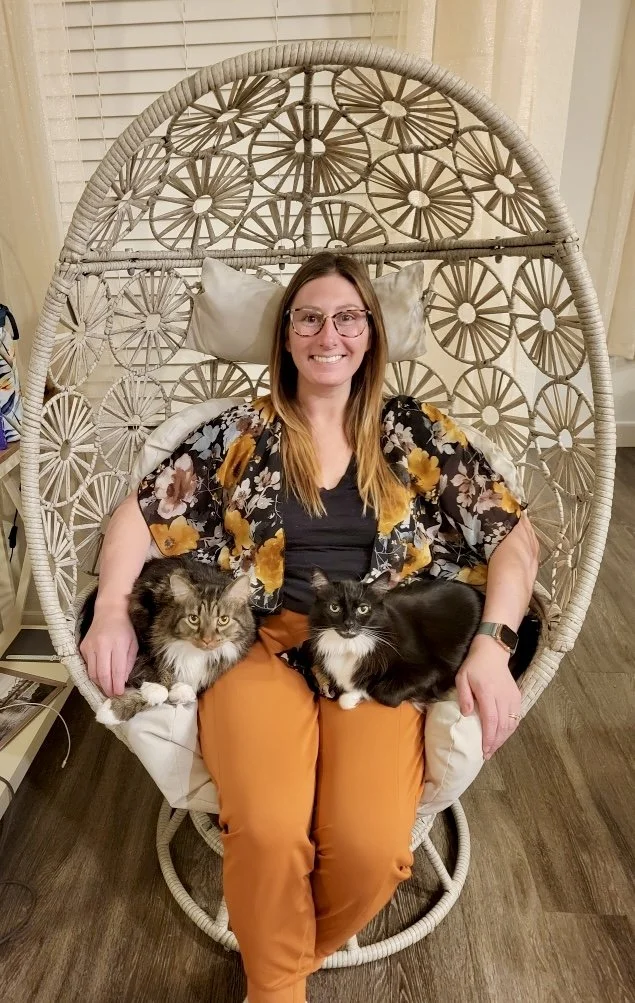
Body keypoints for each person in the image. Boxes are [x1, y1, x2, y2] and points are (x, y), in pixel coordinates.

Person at [80, 252, 539, 1003]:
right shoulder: (243, 430)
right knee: (265, 828)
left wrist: (493, 643)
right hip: (262, 643)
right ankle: (276, 991)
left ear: (371, 332)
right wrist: (108, 610)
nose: (329, 335)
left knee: (368, 849)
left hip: (376, 649)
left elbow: (514, 539)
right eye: (310, 318)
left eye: (347, 318)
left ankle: (279, 962)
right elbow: (139, 514)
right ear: (286, 334)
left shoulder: (412, 429)